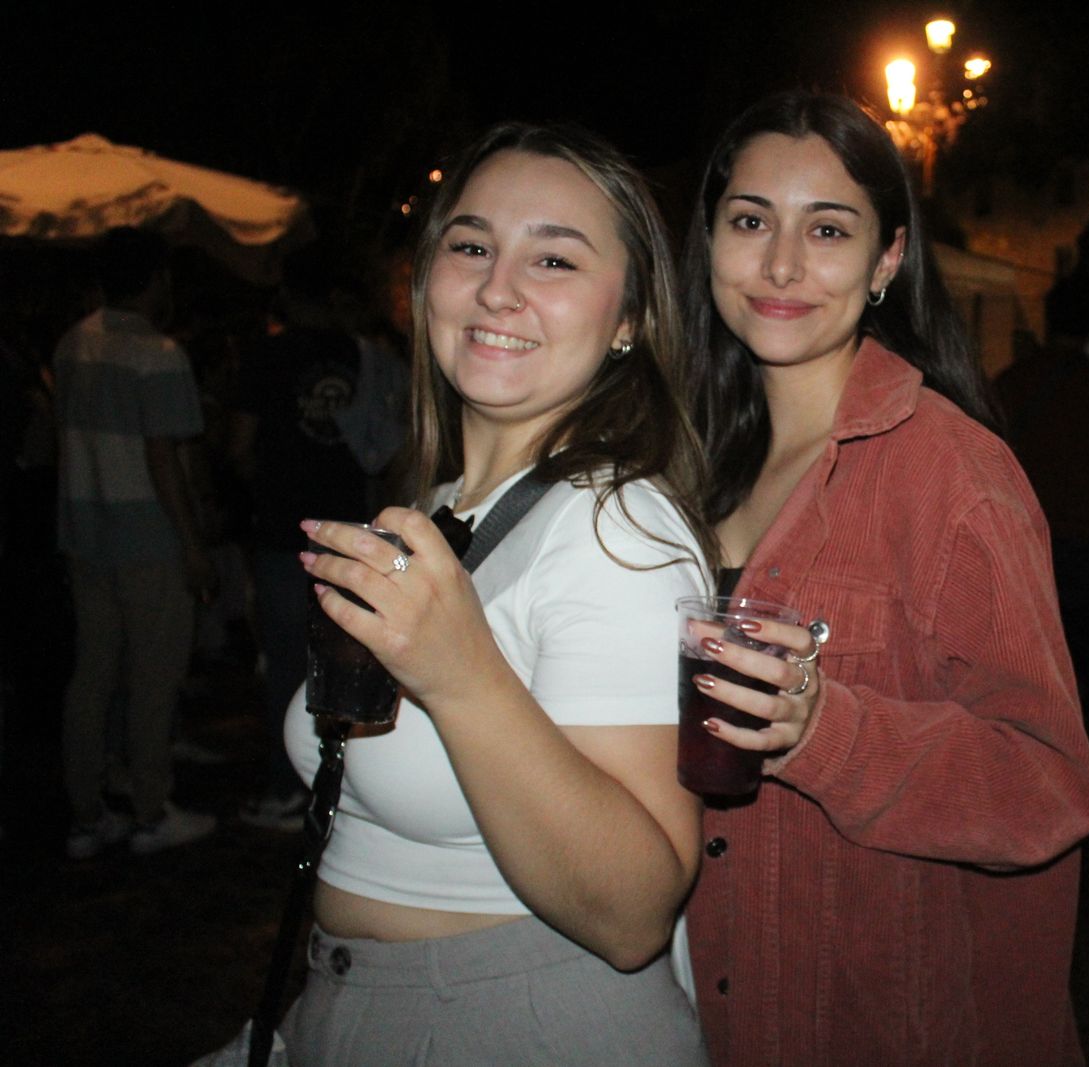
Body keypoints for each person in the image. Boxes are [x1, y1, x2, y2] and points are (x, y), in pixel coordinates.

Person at [277, 122, 715, 1065]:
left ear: (632, 317)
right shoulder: (442, 504)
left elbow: (635, 910)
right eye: (470, 245)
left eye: (553, 257)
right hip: (359, 1001)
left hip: (514, 1019)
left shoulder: (616, 530)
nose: (496, 287)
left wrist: (461, 673)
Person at [679, 91, 1089, 1066]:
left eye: (826, 229)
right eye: (750, 221)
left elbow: (1048, 785)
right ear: (707, 241)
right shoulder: (683, 458)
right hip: (699, 998)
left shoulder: (951, 472)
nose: (781, 264)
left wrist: (829, 730)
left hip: (873, 1019)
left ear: (886, 260)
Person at [56, 227, 219, 859]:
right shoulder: (157, 352)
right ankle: (151, 808)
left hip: (84, 527)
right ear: (156, 280)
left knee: (93, 672)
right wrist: (193, 542)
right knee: (154, 675)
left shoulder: (73, 342)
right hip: (147, 534)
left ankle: (88, 811)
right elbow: (164, 458)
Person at [230, 249, 381, 831]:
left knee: (288, 662)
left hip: (283, 529)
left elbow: (239, 443)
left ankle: (287, 786)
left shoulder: (267, 356)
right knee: (347, 661)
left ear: (287, 295)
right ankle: (341, 789)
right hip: (351, 528)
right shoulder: (362, 354)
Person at [996, 269, 1089, 842]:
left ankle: (1028, 780)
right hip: (1085, 552)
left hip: (1022, 553)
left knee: (1026, 676)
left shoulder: (1008, 384)